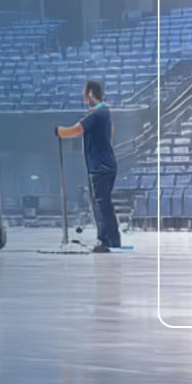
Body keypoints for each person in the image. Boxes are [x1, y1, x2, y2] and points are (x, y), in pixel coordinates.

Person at [56, 79, 120, 253]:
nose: (84, 99)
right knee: (105, 203)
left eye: (85, 95)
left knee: (100, 204)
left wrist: (60, 131)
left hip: (100, 167)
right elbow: (111, 131)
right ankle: (114, 240)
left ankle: (104, 240)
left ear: (91, 95)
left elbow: (76, 130)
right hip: (106, 165)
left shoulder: (96, 114)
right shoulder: (105, 113)